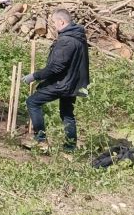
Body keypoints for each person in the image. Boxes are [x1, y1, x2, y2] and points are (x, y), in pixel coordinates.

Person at [22, 9, 90, 152]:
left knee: (32, 102)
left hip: (63, 83)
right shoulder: (78, 36)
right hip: (73, 83)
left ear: (62, 22)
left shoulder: (67, 41)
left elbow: (56, 67)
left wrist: (35, 76)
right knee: (67, 113)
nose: (53, 26)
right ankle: (70, 148)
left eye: (54, 22)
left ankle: (40, 140)